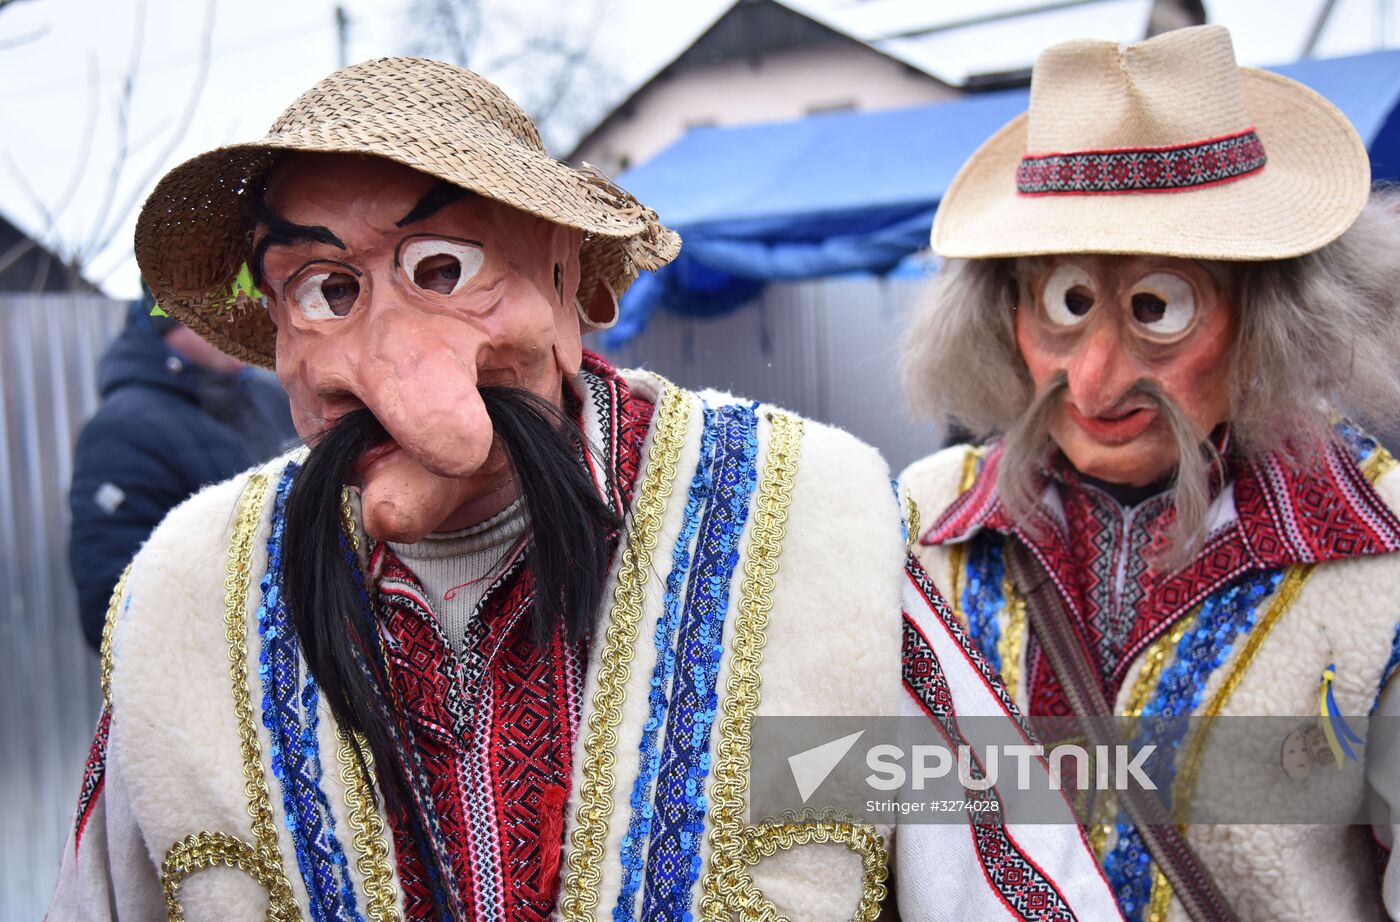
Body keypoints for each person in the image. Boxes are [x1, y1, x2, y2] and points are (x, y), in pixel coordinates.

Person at [49, 57, 1115, 921]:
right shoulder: (183, 603)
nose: (378, 365)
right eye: (323, 293)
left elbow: (998, 874)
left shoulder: (803, 531)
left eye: (441, 271)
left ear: (564, 281)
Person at [899, 25, 1400, 922]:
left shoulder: (1382, 553)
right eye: (1065, 302)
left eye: (1158, 308)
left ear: (1272, 311)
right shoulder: (918, 524)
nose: (1093, 380)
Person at [68, 301, 297, 649]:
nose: (245, 317)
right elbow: (113, 612)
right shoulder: (121, 431)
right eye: (221, 306)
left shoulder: (272, 398)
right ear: (172, 315)